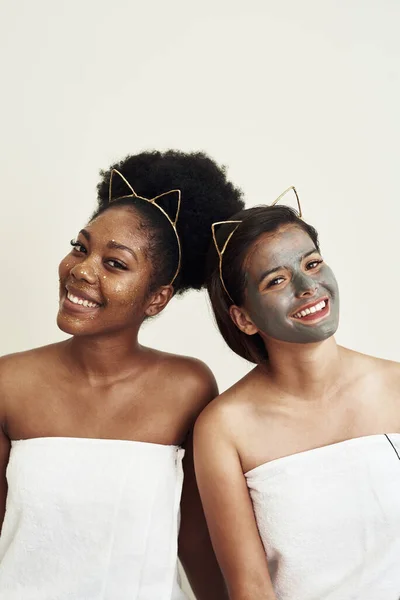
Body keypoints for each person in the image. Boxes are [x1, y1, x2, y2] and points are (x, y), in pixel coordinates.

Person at [0, 150, 244, 600]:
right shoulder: (8, 383)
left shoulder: (187, 387)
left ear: (158, 298)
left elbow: (193, 537)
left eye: (115, 264)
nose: (81, 270)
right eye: (80, 247)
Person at [194, 189, 400, 600]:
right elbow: (250, 589)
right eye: (277, 280)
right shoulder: (224, 430)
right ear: (244, 318)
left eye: (312, 263)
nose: (308, 286)